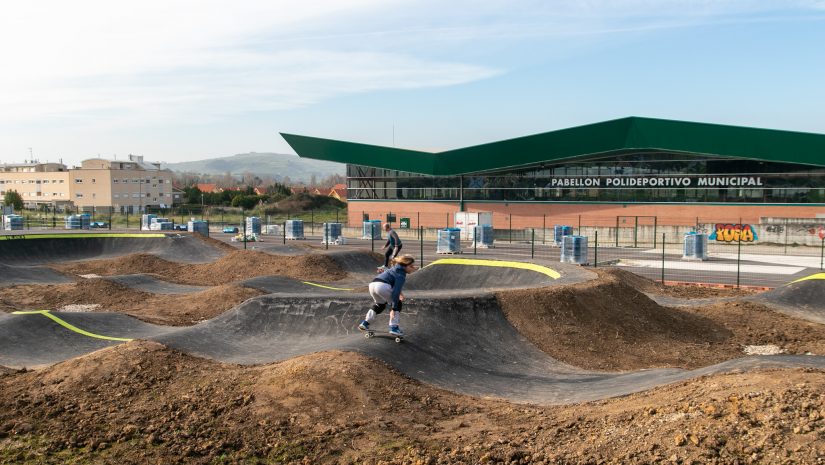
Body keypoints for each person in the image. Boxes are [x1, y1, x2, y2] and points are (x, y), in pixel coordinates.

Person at [359, 254, 416, 337]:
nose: (413, 268)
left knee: (380, 305)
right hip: (383, 286)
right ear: (405, 266)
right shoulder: (401, 275)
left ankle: (365, 323)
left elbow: (393, 283)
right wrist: (394, 308)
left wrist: (401, 293)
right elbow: (395, 292)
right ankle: (394, 328)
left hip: (372, 284)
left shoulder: (394, 268)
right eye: (411, 266)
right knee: (397, 304)